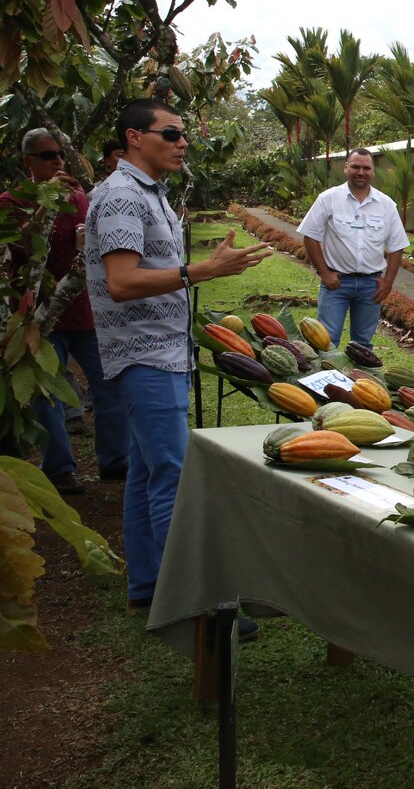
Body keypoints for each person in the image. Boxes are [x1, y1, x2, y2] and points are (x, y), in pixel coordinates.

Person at [86, 99, 269, 618]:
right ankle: (194, 607)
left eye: (183, 134)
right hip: (146, 354)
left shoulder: (150, 194)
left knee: (146, 472)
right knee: (173, 475)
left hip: (161, 350)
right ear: (134, 137)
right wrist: (201, 272)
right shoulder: (123, 196)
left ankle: (149, 586)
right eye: (170, 133)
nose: (182, 142)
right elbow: (121, 282)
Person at [0, 128, 129, 493]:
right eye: (47, 156)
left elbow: (90, 234)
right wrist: (46, 203)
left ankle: (115, 459)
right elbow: (20, 246)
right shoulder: (11, 200)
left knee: (108, 385)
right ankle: (59, 468)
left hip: (84, 308)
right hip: (39, 315)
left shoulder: (77, 195)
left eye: (60, 154)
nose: (57, 161)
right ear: (28, 162)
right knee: (47, 393)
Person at [297, 148, 409, 349]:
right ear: (346, 167)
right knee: (326, 343)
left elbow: (397, 246)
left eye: (366, 168)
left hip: (371, 286)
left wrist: (388, 282)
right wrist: (324, 273)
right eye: (355, 166)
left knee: (362, 346)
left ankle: (359, 380)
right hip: (336, 284)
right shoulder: (328, 199)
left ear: (373, 171)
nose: (361, 172)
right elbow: (310, 236)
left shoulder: (386, 205)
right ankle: (328, 381)